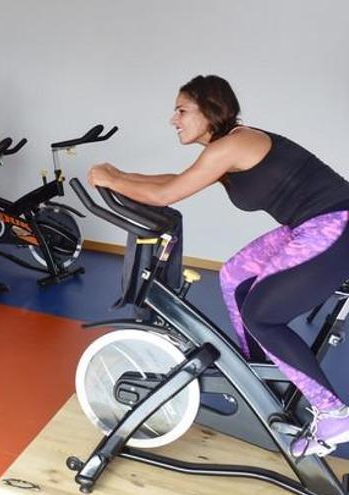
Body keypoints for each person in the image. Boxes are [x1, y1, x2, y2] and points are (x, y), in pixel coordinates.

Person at [86, 74, 349, 457]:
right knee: (234, 275)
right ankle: (262, 379)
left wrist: (110, 177)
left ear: (210, 111)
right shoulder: (226, 148)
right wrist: (120, 176)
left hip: (335, 223)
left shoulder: (231, 146)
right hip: (307, 225)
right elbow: (178, 181)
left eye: (181, 110)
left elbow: (166, 194)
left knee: (263, 315)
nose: (173, 119)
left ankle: (334, 414)